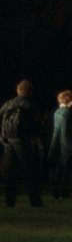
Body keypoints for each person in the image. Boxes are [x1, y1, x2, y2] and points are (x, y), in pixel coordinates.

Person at [0, 79, 43, 207]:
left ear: (18, 90)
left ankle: (9, 200)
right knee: (29, 171)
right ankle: (35, 201)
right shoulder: (30, 104)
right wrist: (35, 138)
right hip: (23, 141)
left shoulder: (8, 104)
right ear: (30, 91)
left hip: (7, 141)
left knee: (9, 172)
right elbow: (37, 123)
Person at [48, 89, 72, 199]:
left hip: (57, 144)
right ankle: (64, 193)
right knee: (67, 171)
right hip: (67, 144)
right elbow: (68, 131)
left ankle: (55, 192)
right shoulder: (69, 113)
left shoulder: (56, 113)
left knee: (58, 170)